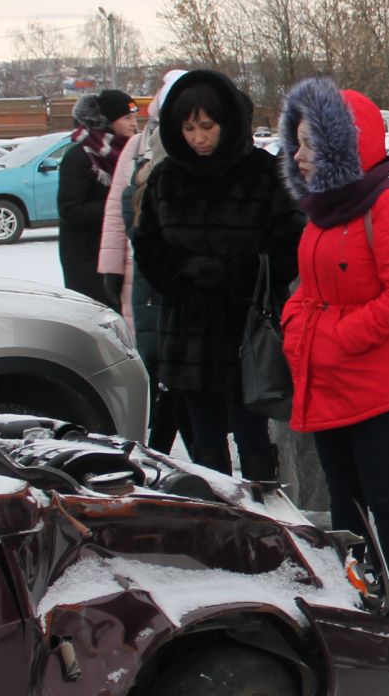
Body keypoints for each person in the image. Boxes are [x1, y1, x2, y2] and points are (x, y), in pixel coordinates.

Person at [278, 79, 389, 624]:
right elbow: (306, 289)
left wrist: (339, 336)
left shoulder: (386, 206)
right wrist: (297, 326)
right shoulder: (321, 210)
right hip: (325, 375)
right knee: (342, 496)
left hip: (374, 381)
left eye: (309, 144)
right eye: (295, 143)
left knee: (380, 493)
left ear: (344, 146)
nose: (297, 156)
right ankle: (358, 583)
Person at [131, 70, 304, 481]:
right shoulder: (166, 179)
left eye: (206, 126)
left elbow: (289, 244)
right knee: (205, 442)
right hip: (187, 330)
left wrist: (235, 274)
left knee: (253, 437)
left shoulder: (262, 172)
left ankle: (264, 521)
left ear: (227, 122)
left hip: (246, 329)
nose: (198, 138)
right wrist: (183, 275)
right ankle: (219, 524)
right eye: (188, 128)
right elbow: (147, 246)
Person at [100, 72, 186, 455]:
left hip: (173, 282)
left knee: (174, 372)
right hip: (140, 277)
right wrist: (111, 268)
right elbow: (117, 213)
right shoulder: (138, 146)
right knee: (150, 361)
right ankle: (156, 449)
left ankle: (161, 449)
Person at [58, 89, 137, 307]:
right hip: (87, 258)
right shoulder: (80, 156)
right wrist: (120, 207)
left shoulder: (129, 153)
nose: (134, 123)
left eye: (134, 117)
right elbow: (70, 210)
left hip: (118, 252)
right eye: (127, 118)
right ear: (106, 122)